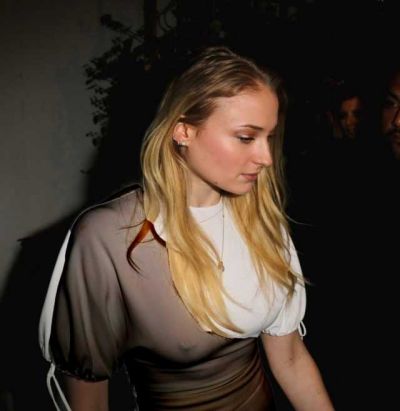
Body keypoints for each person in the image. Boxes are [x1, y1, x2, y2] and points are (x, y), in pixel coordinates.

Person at [38, 46, 334, 410]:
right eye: (246, 137)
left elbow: (289, 358)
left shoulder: (261, 218)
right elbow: (88, 392)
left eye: (269, 137)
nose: (266, 158)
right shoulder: (108, 236)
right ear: (183, 131)